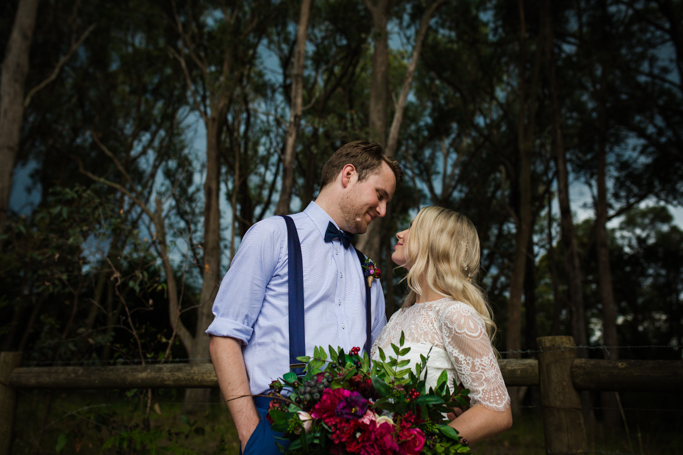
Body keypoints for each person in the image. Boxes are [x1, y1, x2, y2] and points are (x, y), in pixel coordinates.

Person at [207, 140, 402, 454]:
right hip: (275, 423)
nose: (382, 210)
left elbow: (377, 366)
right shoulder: (272, 236)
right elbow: (225, 336)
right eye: (380, 195)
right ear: (348, 175)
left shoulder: (370, 275)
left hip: (348, 434)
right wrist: (252, 436)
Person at [371, 206, 513, 444]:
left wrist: (423, 448)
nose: (400, 234)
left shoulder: (456, 313)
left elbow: (496, 412)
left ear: (437, 242)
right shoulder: (399, 316)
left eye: (413, 227)